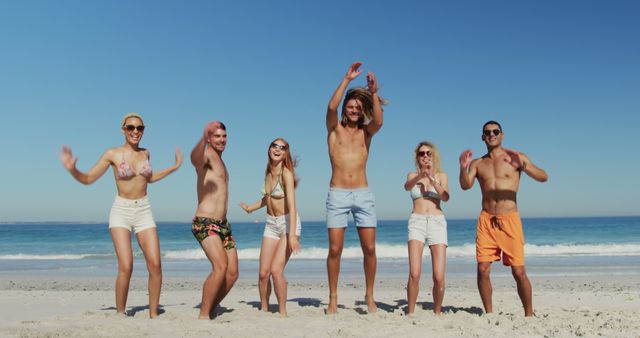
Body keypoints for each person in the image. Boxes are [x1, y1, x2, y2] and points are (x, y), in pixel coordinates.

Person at [58, 112, 182, 318]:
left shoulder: (146, 153)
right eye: (131, 128)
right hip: (121, 211)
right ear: (123, 130)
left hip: (144, 209)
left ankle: (153, 314)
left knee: (156, 265)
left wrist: (174, 167)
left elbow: (149, 178)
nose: (136, 131)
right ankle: (120, 313)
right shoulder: (112, 153)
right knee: (126, 265)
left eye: (140, 128)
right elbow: (88, 179)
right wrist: (73, 170)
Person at [459, 120, 548, 317]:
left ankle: (529, 314)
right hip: (486, 220)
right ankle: (489, 313)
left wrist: (523, 165)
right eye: (488, 132)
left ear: (502, 135)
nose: (492, 134)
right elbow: (465, 186)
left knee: (518, 272)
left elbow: (544, 177)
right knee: (482, 269)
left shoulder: (516, 158)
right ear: (483, 137)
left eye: (495, 131)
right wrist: (463, 167)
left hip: (510, 219)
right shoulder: (478, 163)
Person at [325, 61, 388, 314]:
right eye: (350, 106)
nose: (353, 110)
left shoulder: (366, 132)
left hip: (362, 194)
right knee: (335, 249)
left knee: (370, 248)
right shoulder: (334, 129)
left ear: (363, 111)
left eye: (357, 108)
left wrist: (372, 93)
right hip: (338, 194)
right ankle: (332, 297)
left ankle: (369, 295)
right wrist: (347, 79)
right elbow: (331, 106)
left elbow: (380, 122)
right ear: (345, 109)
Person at [239, 138, 302, 316]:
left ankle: (282, 311)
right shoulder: (268, 172)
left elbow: (292, 204)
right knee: (263, 273)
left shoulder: (286, 174)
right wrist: (250, 208)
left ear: (285, 153)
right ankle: (264, 308)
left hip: (287, 222)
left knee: (276, 270)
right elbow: (269, 198)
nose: (278, 149)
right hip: (271, 224)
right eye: (275, 146)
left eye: (282, 148)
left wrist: (292, 235)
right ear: (269, 149)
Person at [190, 121, 239, 320]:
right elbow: (194, 159)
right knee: (220, 267)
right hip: (205, 222)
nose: (221, 140)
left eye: (224, 136)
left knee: (232, 273)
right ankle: (203, 316)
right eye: (217, 136)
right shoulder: (207, 155)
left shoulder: (221, 161)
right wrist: (202, 138)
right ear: (209, 138)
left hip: (223, 225)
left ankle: (211, 306)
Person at [404, 141, 450, 315]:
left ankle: (437, 313)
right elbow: (407, 186)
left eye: (428, 153)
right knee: (414, 273)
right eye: (422, 154)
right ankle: (410, 312)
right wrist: (420, 176)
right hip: (417, 221)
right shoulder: (412, 175)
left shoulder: (442, 175)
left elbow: (445, 197)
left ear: (433, 156)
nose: (425, 156)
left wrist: (431, 178)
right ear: (417, 157)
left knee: (438, 276)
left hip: (437, 222)